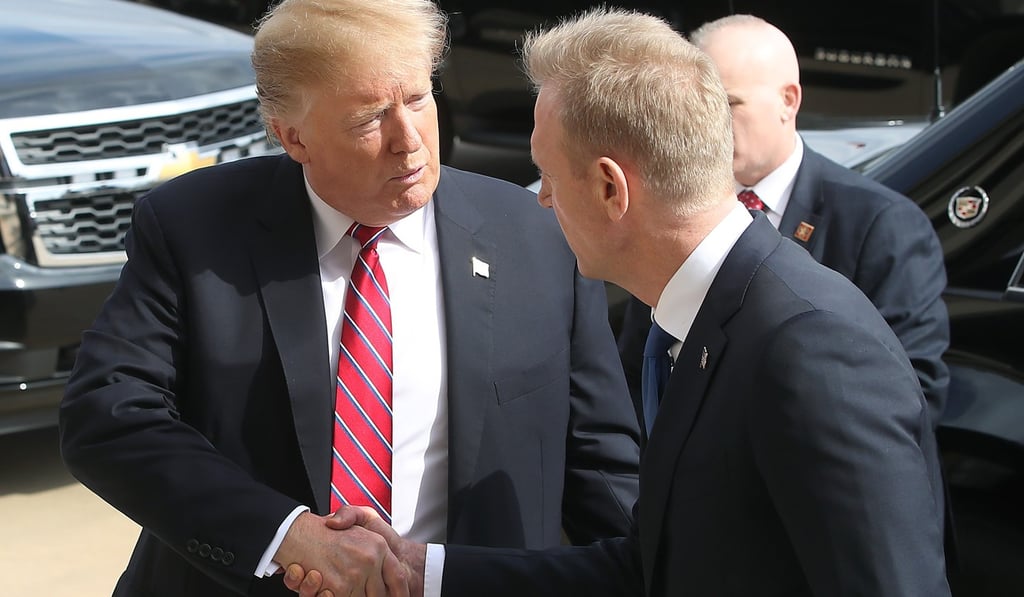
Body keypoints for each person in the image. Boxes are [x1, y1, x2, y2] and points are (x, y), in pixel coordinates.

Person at [287, 7, 951, 597]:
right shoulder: (700, 319)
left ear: (610, 188)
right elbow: (649, 568)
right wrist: (420, 571)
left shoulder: (811, 350)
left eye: (548, 175)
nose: (542, 201)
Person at [58, 0, 641, 595]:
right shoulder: (195, 230)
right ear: (293, 136)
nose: (408, 141)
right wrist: (283, 536)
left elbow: (601, 466)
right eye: (369, 119)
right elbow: (108, 416)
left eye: (418, 99)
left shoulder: (533, 234)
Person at [615, 14, 951, 432]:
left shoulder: (879, 225)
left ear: (788, 101)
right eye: (697, 106)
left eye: (729, 104)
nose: (708, 124)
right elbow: (635, 365)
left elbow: (911, 390)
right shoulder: (671, 206)